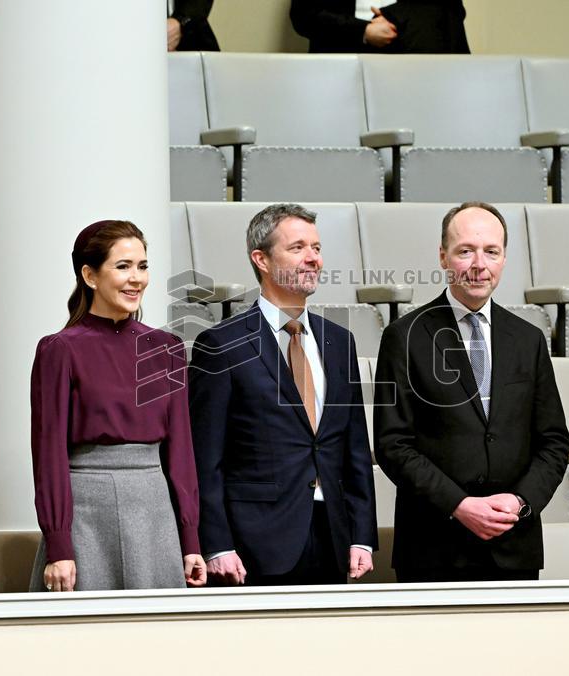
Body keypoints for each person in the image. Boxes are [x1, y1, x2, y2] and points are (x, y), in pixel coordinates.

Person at [373, 202, 569, 583]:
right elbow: (392, 444)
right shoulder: (404, 336)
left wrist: (520, 503)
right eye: (465, 251)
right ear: (443, 256)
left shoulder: (528, 339)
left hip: (514, 547)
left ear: (504, 258)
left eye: (491, 251)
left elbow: (554, 441)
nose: (479, 264)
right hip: (433, 549)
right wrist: (459, 505)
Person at [189, 203, 378, 585]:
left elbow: (354, 449)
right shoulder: (221, 345)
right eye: (297, 248)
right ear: (261, 259)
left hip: (333, 537)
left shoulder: (340, 342)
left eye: (317, 248)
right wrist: (216, 544)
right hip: (252, 544)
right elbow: (204, 458)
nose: (313, 259)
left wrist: (363, 536)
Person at [30, 219, 206, 592]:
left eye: (142, 266)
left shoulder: (166, 348)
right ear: (90, 276)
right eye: (122, 267)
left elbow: (182, 451)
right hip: (86, 514)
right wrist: (59, 544)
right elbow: (49, 453)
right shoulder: (59, 349)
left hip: (155, 509)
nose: (136, 279)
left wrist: (190, 540)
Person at [290, 0, 469, 54]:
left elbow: (451, 11)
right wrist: (363, 31)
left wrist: (396, 19)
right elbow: (303, 15)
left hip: (415, 59)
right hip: (343, 57)